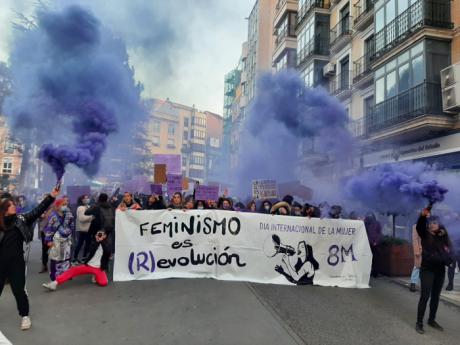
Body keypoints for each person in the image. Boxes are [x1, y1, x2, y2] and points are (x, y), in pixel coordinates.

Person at [0, 187, 58, 330]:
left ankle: (25, 316)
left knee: (19, 290)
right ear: (5, 209)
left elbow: (37, 210)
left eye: (14, 204)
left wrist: (51, 196)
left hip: (16, 262)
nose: (15, 205)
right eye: (12, 205)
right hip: (0, 264)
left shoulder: (21, 219)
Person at [415, 209, 454, 334]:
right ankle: (419, 323)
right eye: (431, 223)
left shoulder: (442, 237)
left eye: (435, 223)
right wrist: (422, 215)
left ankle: (431, 320)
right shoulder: (425, 234)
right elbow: (420, 226)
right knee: (425, 296)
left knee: (435, 297)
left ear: (439, 225)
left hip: (440, 271)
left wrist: (445, 235)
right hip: (427, 270)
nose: (432, 224)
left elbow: (449, 251)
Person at [43, 230, 111, 290]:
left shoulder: (106, 244)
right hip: (89, 266)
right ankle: (54, 283)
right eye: (97, 234)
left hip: (99, 268)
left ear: (105, 236)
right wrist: (98, 240)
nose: (98, 236)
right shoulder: (95, 243)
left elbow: (107, 251)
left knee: (103, 283)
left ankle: (96, 276)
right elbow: (92, 249)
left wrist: (102, 241)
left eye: (100, 234)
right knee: (72, 270)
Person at [44, 198, 75, 282]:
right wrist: (49, 240)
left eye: (66, 204)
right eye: (63, 204)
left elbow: (72, 225)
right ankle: (54, 276)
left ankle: (66, 274)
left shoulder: (69, 215)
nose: (65, 206)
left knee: (66, 257)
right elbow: (49, 229)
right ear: (57, 206)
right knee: (56, 258)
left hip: (66, 239)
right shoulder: (53, 216)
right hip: (56, 240)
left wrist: (70, 233)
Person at [72, 195, 93, 263]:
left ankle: (84, 258)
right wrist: (91, 217)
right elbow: (81, 218)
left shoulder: (88, 207)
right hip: (83, 229)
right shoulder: (81, 208)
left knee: (87, 244)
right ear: (82, 200)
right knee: (80, 244)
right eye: (85, 198)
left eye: (87, 198)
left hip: (88, 228)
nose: (87, 199)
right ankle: (75, 258)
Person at [364, 213, 382, 278]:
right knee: (374, 259)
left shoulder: (369, 223)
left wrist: (375, 242)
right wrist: (375, 242)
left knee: (374, 259)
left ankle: (374, 272)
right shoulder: (367, 223)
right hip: (371, 243)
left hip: (372, 243)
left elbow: (379, 233)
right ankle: (373, 272)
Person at [410, 224, 422, 292]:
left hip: (429, 250)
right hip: (420, 250)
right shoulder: (416, 226)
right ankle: (413, 283)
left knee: (427, 267)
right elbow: (415, 239)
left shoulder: (430, 225)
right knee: (417, 267)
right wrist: (416, 251)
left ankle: (425, 284)